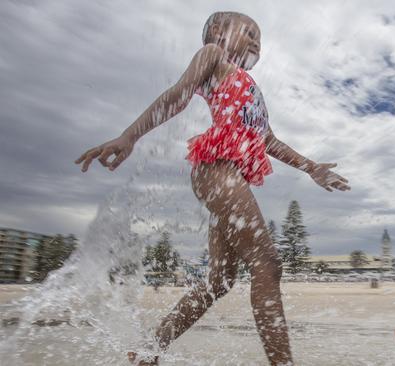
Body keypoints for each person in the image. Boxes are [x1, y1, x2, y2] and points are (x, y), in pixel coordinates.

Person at [75, 11, 350, 366]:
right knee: (267, 262)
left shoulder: (247, 83)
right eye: (248, 31)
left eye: (259, 37)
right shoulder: (212, 55)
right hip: (216, 171)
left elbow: (268, 139)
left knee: (220, 281)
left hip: (227, 177)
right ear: (218, 32)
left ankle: (148, 352)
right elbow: (178, 94)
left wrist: (311, 167)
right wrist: (130, 135)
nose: (255, 40)